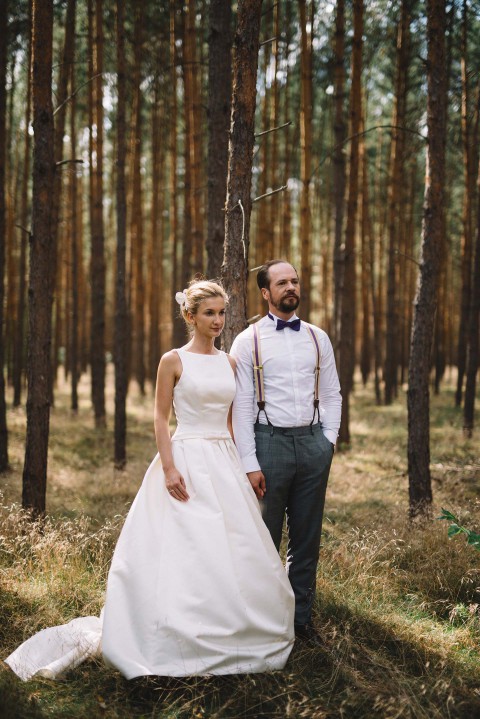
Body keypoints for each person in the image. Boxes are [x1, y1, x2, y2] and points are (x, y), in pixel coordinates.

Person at [6, 280, 294, 681]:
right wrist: (171, 467)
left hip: (223, 459)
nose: (217, 320)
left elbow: (232, 419)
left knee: (235, 546)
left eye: (222, 313)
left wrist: (245, 464)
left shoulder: (229, 363)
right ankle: (171, 629)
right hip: (186, 457)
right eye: (209, 313)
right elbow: (160, 417)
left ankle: (233, 628)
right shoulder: (172, 360)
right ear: (190, 316)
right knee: (187, 544)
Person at [230, 261, 342, 646]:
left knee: (306, 540)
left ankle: (300, 623)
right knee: (264, 539)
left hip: (313, 444)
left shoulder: (317, 337)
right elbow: (241, 408)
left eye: (294, 281)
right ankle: (261, 625)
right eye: (282, 283)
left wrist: (328, 439)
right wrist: (249, 462)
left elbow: (331, 393)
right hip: (268, 444)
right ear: (266, 293)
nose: (291, 287)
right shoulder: (247, 341)